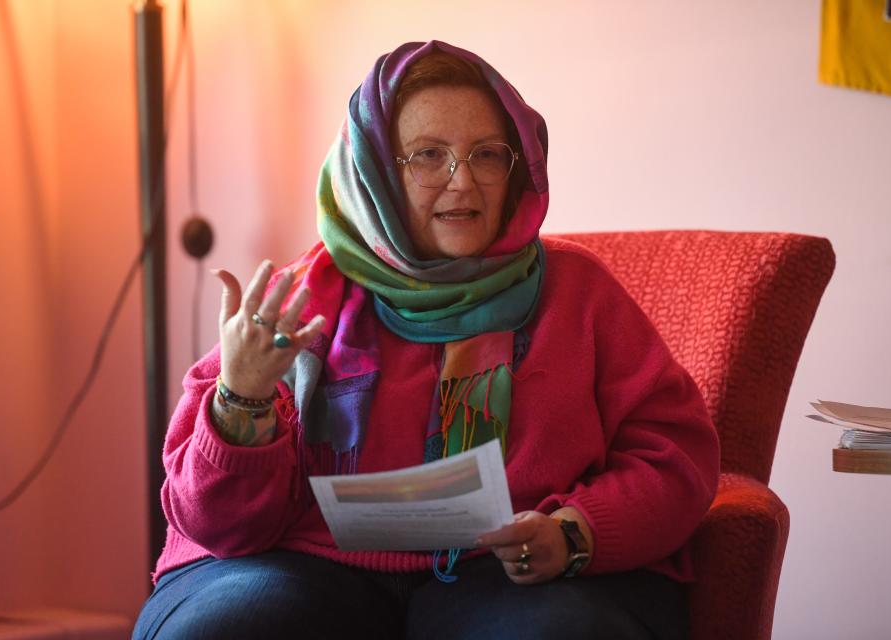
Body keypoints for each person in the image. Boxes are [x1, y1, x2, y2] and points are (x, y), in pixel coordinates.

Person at [133, 40, 720, 640]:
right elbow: (220, 524)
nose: (462, 182)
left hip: (512, 571)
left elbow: (673, 457)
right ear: (375, 172)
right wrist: (242, 395)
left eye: (487, 155)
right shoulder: (292, 307)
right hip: (303, 562)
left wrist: (574, 532)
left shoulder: (580, 292)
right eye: (428, 156)